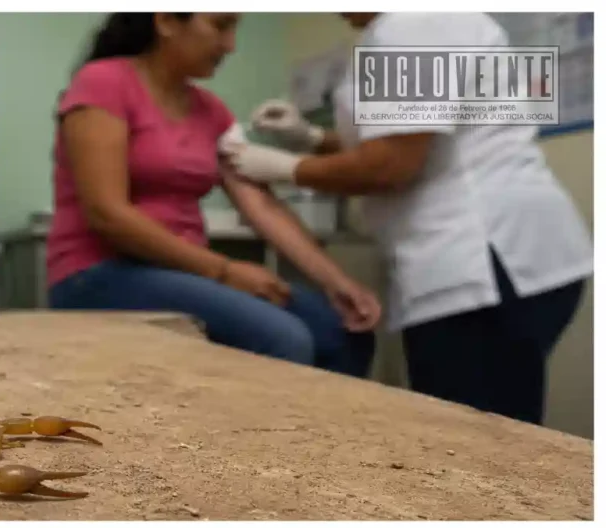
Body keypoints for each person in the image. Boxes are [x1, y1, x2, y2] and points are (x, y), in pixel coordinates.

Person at [220, 12, 592, 425]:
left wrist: (287, 167)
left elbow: (393, 162)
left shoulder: (416, 23)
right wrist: (310, 139)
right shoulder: (409, 24)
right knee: (489, 430)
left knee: (476, 441)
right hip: (495, 255)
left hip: (485, 259)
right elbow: (400, 136)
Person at [46, 12, 382, 378]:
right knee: (283, 338)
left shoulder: (211, 111)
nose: (230, 45)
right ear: (167, 21)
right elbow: (107, 213)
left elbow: (262, 205)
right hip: (98, 273)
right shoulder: (103, 83)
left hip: (183, 271)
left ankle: (327, 436)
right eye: (220, 26)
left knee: (343, 334)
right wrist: (223, 271)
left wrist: (337, 282)